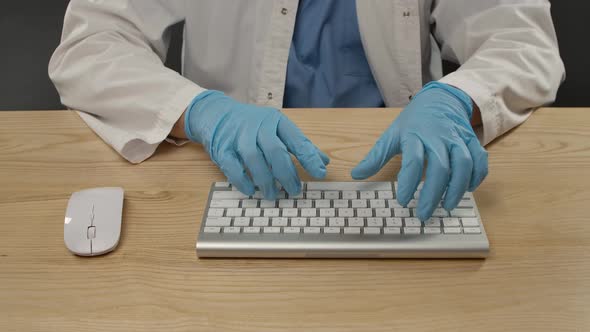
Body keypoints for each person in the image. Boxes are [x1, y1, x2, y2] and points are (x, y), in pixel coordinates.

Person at [49, 0, 564, 221]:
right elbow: (92, 44)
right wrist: (199, 111)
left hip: (403, 168)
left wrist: (457, 98)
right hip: (223, 171)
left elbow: (521, 40)